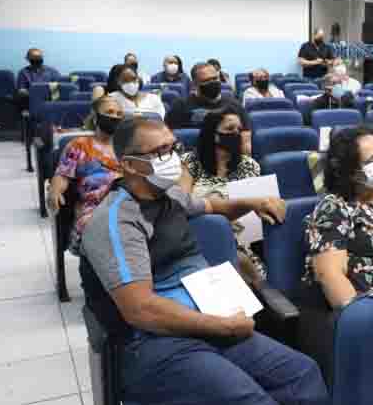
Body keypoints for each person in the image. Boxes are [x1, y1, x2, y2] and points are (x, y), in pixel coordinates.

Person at [79, 118, 328, 405]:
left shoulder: (167, 194)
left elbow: (209, 206)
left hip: (207, 316)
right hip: (155, 342)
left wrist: (251, 203)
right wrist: (224, 327)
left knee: (302, 375)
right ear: (130, 165)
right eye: (159, 152)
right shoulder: (117, 221)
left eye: (173, 148)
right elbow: (141, 310)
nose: (171, 158)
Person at [298, 126, 373, 382]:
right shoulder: (335, 207)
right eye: (372, 160)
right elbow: (329, 275)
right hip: (361, 309)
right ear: (351, 172)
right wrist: (368, 323)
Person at [179, 105, 270, 286]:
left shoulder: (249, 165)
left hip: (239, 241)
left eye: (239, 129)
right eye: (230, 129)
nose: (236, 133)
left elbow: (251, 218)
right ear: (214, 134)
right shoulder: (190, 161)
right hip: (197, 238)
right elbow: (183, 203)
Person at [47, 96, 123, 255]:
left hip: (127, 207)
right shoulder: (80, 145)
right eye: (109, 112)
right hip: (94, 211)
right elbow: (62, 175)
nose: (115, 117)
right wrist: (55, 191)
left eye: (119, 114)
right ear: (96, 117)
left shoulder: (129, 145)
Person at [166, 62, 252, 153]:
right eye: (206, 80)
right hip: (192, 157)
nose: (212, 83)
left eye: (215, 78)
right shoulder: (180, 106)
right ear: (195, 84)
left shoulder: (234, 105)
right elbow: (169, 138)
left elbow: (245, 139)